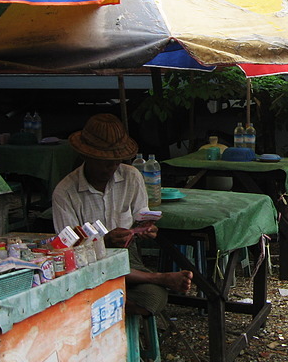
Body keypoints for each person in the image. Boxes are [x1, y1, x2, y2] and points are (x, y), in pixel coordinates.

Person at [53, 113, 192, 315]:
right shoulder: (65, 191)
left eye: (116, 161)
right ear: (86, 157)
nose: (112, 167)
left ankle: (101, 308)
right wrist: (104, 242)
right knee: (88, 282)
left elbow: (141, 217)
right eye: (104, 161)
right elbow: (69, 249)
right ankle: (155, 279)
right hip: (86, 265)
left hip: (127, 258)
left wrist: (146, 230)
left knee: (154, 297)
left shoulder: (131, 176)